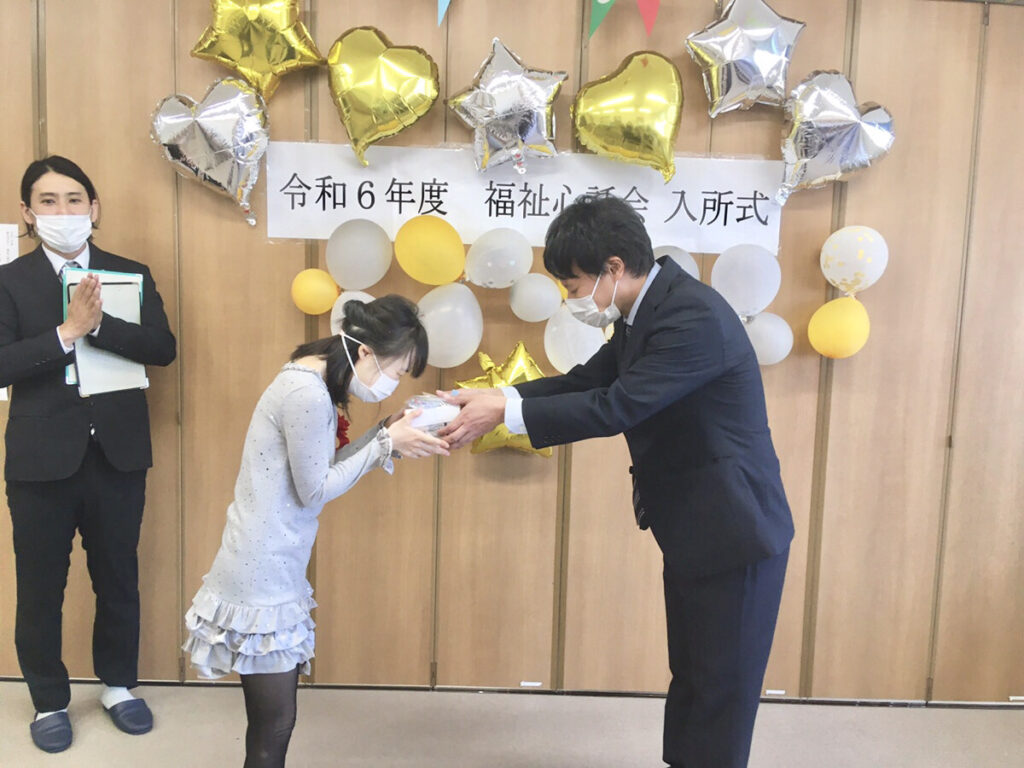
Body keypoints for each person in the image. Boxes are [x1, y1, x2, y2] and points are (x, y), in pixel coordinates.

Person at [439, 194, 794, 768]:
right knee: (693, 675)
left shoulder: (692, 316)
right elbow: (586, 382)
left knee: (721, 690)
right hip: (696, 528)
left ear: (613, 267)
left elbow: (616, 407)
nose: (573, 299)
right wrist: (496, 396)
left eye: (575, 285)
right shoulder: (644, 311)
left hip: (737, 531)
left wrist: (504, 414)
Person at [183, 295, 448, 768]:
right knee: (274, 724)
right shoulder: (305, 393)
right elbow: (315, 490)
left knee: (273, 723)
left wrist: (384, 433)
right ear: (365, 352)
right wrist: (385, 444)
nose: (393, 382)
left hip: (270, 561)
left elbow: (318, 469)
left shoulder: (310, 381)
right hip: (261, 569)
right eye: (396, 370)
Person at [0, 156, 177, 753]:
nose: (63, 210)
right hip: (40, 461)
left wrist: (98, 326)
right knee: (40, 587)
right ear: (28, 213)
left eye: (74, 199)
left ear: (94, 208)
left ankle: (118, 687)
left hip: (118, 454)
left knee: (118, 577)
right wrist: (66, 332)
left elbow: (162, 348)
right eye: (48, 201)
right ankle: (49, 700)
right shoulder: (8, 281)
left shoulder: (130, 273)